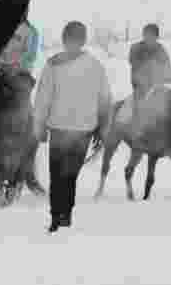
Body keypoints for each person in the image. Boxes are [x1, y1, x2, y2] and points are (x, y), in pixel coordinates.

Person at [33, 21, 112, 233]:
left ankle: (56, 216)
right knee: (69, 175)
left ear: (64, 39)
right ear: (83, 40)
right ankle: (65, 215)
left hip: (61, 129)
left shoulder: (53, 64)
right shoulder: (95, 66)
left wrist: (39, 125)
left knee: (58, 175)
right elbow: (105, 100)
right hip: (83, 130)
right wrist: (103, 128)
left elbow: (42, 99)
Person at [128, 23, 171, 109]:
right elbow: (134, 63)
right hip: (140, 85)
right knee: (141, 105)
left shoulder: (160, 49)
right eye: (147, 35)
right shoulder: (136, 48)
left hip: (157, 85)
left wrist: (170, 77)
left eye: (152, 36)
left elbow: (167, 65)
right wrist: (149, 64)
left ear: (157, 37)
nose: (149, 38)